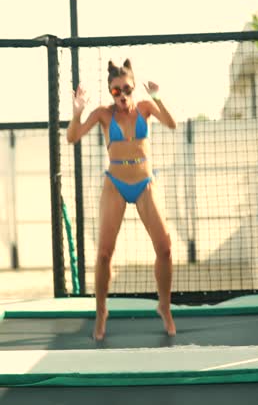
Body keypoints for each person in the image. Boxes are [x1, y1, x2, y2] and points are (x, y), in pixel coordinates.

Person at [67, 59, 177, 340]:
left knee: (164, 249)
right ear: (110, 92)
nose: (122, 95)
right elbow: (72, 137)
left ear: (133, 87)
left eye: (126, 89)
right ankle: (101, 310)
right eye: (116, 91)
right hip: (115, 184)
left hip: (145, 183)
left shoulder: (145, 108)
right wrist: (77, 112)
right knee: (104, 253)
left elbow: (172, 124)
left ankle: (164, 305)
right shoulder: (103, 114)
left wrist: (158, 97)